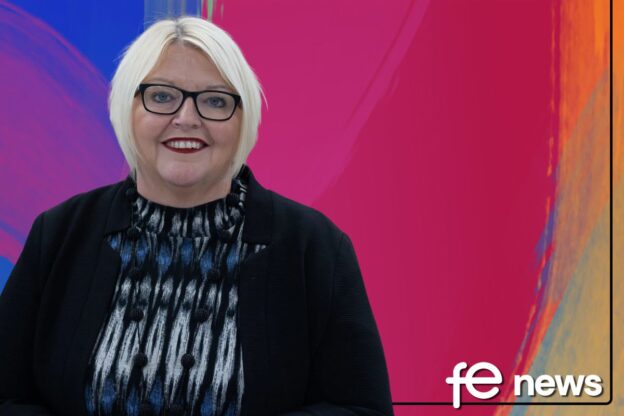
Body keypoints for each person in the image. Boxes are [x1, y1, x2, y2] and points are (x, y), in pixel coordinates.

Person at [0, 16, 393, 416]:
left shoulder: (314, 247)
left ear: (243, 120)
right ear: (125, 108)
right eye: (161, 96)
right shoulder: (60, 234)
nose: (187, 118)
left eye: (215, 101)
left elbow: (361, 408)